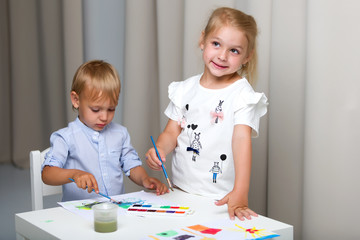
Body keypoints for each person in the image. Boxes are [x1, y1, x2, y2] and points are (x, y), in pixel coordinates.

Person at [145, 7, 268, 221]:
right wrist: (160, 150)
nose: (222, 55)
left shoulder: (242, 94)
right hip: (179, 192)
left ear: (247, 56)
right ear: (203, 40)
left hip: (219, 199)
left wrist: (241, 191)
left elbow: (241, 141)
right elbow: (171, 132)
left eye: (234, 50)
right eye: (216, 44)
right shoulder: (184, 90)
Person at [42, 60, 168, 202]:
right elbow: (47, 174)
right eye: (96, 109)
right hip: (77, 214)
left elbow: (131, 165)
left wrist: (144, 179)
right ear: (76, 100)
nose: (104, 117)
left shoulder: (120, 134)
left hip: (114, 212)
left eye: (111, 109)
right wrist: (75, 174)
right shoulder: (66, 137)